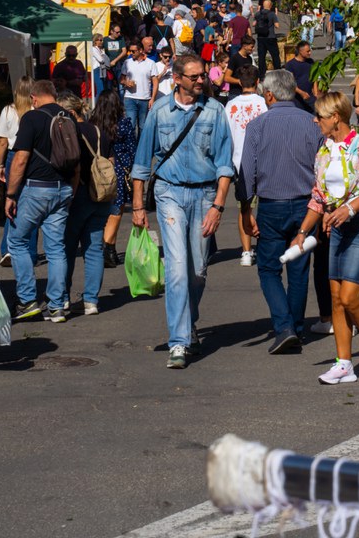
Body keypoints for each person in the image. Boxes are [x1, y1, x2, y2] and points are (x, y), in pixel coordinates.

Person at [130, 53, 234, 370]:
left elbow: (225, 164)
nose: (201, 80)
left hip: (204, 194)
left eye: (203, 75)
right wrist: (137, 205)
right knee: (176, 267)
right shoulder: (159, 111)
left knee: (198, 270)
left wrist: (218, 205)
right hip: (169, 193)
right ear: (176, 78)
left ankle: (189, 322)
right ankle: (179, 341)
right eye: (194, 77)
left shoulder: (215, 112)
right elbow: (141, 160)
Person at [291, 91, 359, 385]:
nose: (315, 120)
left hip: (358, 224)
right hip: (334, 226)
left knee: (350, 298)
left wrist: (348, 209)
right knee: (335, 300)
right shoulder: (324, 151)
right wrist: (301, 232)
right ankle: (343, 362)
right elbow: (319, 198)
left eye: (319, 116)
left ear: (336, 118)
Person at [238, 70, 322, 353]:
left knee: (269, 268)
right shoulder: (312, 123)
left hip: (271, 205)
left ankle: (285, 326)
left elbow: (247, 171)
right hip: (306, 205)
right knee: (298, 269)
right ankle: (295, 327)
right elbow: (322, 166)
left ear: (270, 94)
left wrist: (246, 207)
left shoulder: (258, 125)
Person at [5, 80, 75, 323]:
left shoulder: (31, 119)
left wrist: (11, 194)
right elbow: (76, 161)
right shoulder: (69, 117)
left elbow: (21, 159)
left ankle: (27, 300)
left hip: (36, 189)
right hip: (63, 188)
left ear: (34, 98)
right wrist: (71, 190)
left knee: (17, 241)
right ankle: (57, 306)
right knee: (56, 248)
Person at [58, 94, 115, 315]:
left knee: (68, 248)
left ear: (72, 113)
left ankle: (63, 297)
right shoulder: (99, 131)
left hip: (79, 192)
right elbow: (110, 162)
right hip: (101, 195)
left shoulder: (71, 133)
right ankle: (91, 300)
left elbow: (71, 166)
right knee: (93, 249)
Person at [224, 65, 268, 266]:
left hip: (239, 161)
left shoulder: (230, 105)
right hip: (264, 160)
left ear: (240, 82)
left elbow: (226, 137)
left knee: (244, 206)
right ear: (258, 82)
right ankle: (264, 246)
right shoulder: (265, 103)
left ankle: (246, 251)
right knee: (266, 205)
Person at [0, 76, 38, 268]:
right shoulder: (36, 111)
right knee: (33, 204)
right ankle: (30, 251)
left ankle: (7, 249)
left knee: (11, 202)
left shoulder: (8, 111)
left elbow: (2, 141)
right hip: (34, 155)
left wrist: (0, 165)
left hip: (13, 155)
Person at [96, 89, 137, 267]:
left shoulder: (94, 123)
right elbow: (132, 149)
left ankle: (108, 248)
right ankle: (108, 247)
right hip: (118, 170)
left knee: (100, 211)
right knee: (116, 211)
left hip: (97, 170)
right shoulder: (124, 123)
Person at [119, 42, 160, 138]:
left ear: (141, 50)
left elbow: (155, 82)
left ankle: (141, 148)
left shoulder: (150, 63)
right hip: (130, 98)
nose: (131, 53)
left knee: (143, 126)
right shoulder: (127, 62)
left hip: (144, 99)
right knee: (130, 125)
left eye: (133, 51)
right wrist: (126, 82)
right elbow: (122, 79)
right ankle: (131, 148)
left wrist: (152, 98)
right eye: (130, 51)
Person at [285, 40, 319, 114]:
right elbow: (290, 83)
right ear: (300, 51)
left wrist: (316, 94)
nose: (310, 53)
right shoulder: (290, 65)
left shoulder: (311, 62)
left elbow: (314, 78)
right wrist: (301, 93)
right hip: (297, 99)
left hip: (310, 98)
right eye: (308, 51)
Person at [253, 0, 282, 77]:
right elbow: (277, 26)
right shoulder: (272, 14)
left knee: (261, 56)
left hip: (260, 37)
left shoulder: (258, 14)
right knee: (275, 55)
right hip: (271, 37)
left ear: (263, 5)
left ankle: (262, 74)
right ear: (271, 5)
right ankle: (278, 72)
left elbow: (253, 24)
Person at [226, 34, 256, 99]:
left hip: (247, 93)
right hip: (235, 94)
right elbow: (226, 78)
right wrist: (239, 81)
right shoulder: (234, 58)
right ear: (245, 46)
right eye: (252, 47)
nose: (253, 49)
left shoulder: (249, 59)